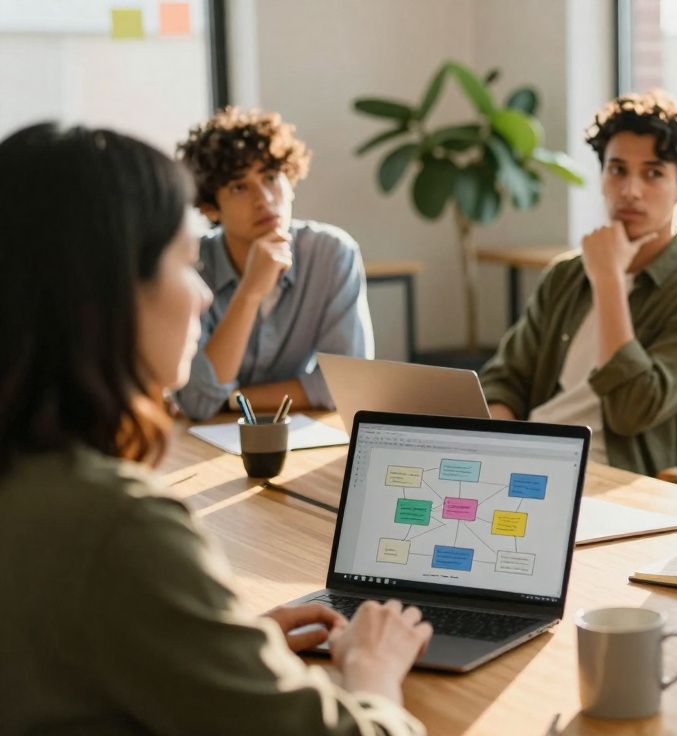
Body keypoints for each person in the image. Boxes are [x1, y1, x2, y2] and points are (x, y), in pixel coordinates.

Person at [0, 123, 430, 733]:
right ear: (109, 294)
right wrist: (374, 671)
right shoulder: (122, 528)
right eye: (183, 263)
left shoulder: (28, 476)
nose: (204, 295)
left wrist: (219, 644)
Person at [480, 90, 677, 477]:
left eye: (653, 173)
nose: (630, 190)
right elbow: (505, 378)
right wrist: (501, 449)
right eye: (617, 170)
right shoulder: (567, 274)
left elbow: (632, 410)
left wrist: (608, 280)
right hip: (532, 463)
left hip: (618, 480)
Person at [173, 107, 374, 420]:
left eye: (270, 177)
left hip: (299, 432)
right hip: (200, 439)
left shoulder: (331, 253)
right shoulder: (191, 264)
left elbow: (347, 384)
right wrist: (250, 292)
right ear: (211, 208)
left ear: (290, 181)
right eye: (239, 187)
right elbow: (198, 401)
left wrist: (233, 399)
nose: (264, 199)